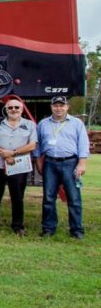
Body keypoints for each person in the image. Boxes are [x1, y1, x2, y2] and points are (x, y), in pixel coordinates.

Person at [35, 95, 89, 239]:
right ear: (51, 107)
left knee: (74, 198)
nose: (58, 108)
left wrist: (82, 163)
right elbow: (38, 146)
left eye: (61, 105)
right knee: (48, 198)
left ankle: (77, 230)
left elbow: (83, 144)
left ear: (67, 107)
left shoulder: (77, 123)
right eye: (55, 105)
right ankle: (48, 229)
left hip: (70, 163)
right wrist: (39, 163)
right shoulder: (43, 124)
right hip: (50, 163)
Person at [0, 99, 37, 235]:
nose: (14, 110)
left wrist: (13, 153)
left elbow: (32, 145)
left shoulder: (29, 125)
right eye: (10, 107)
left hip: (18, 166)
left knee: (18, 196)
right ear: (6, 109)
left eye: (17, 107)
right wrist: (3, 153)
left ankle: (18, 225)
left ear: (22, 109)